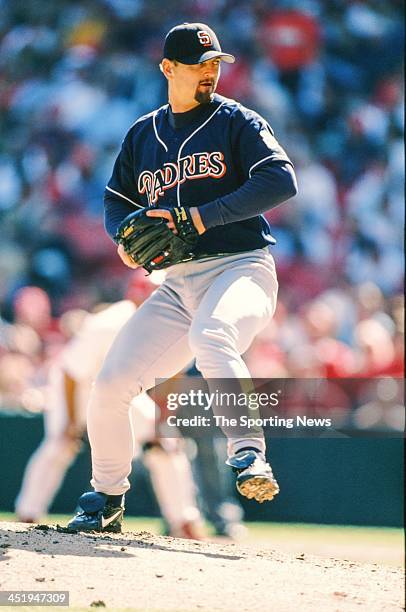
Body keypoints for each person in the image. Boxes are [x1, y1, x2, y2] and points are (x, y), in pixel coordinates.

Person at [68, 22, 297, 533]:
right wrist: (124, 239)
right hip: (177, 284)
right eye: (200, 64)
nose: (211, 72)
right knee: (110, 383)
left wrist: (200, 217)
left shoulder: (236, 121)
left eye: (216, 63)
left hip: (242, 267)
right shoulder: (143, 133)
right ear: (169, 68)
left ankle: (249, 455)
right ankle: (106, 498)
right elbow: (116, 200)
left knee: (212, 335)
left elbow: (281, 180)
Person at [15, 291, 203, 538]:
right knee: (60, 444)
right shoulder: (109, 323)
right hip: (76, 387)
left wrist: (162, 420)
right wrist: (71, 423)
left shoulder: (172, 317)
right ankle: (28, 513)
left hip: (117, 390)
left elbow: (174, 373)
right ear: (136, 294)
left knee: (166, 442)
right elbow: (72, 372)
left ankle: (184, 520)